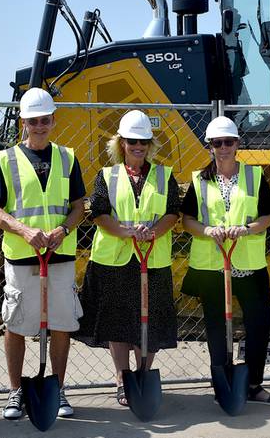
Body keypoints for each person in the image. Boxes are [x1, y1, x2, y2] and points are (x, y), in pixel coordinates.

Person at [0, 87, 86, 420]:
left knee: (61, 324)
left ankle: (58, 387)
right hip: (21, 257)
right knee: (16, 324)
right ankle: (15, 391)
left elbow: (78, 208)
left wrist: (63, 231)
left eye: (45, 120)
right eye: (33, 121)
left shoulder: (68, 158)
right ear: (23, 123)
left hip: (59, 256)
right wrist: (24, 231)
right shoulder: (6, 159)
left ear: (53, 120)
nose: (39, 126)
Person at [75, 110, 180, 406]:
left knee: (150, 321)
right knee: (117, 322)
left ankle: (143, 374)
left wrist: (153, 232)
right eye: (132, 141)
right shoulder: (106, 176)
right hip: (115, 261)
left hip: (152, 259)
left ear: (150, 144)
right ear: (121, 143)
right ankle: (122, 378)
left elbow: (173, 211)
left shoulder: (164, 174)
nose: (138, 146)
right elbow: (98, 213)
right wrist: (127, 232)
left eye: (143, 141)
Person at [180, 116, 270, 406]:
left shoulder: (255, 176)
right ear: (209, 146)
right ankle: (223, 385)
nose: (223, 147)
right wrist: (207, 230)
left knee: (258, 323)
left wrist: (247, 229)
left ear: (238, 144)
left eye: (229, 142)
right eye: (217, 143)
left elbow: (268, 216)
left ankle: (252, 384)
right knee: (216, 326)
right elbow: (187, 220)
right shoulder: (199, 180)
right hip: (212, 267)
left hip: (248, 264)